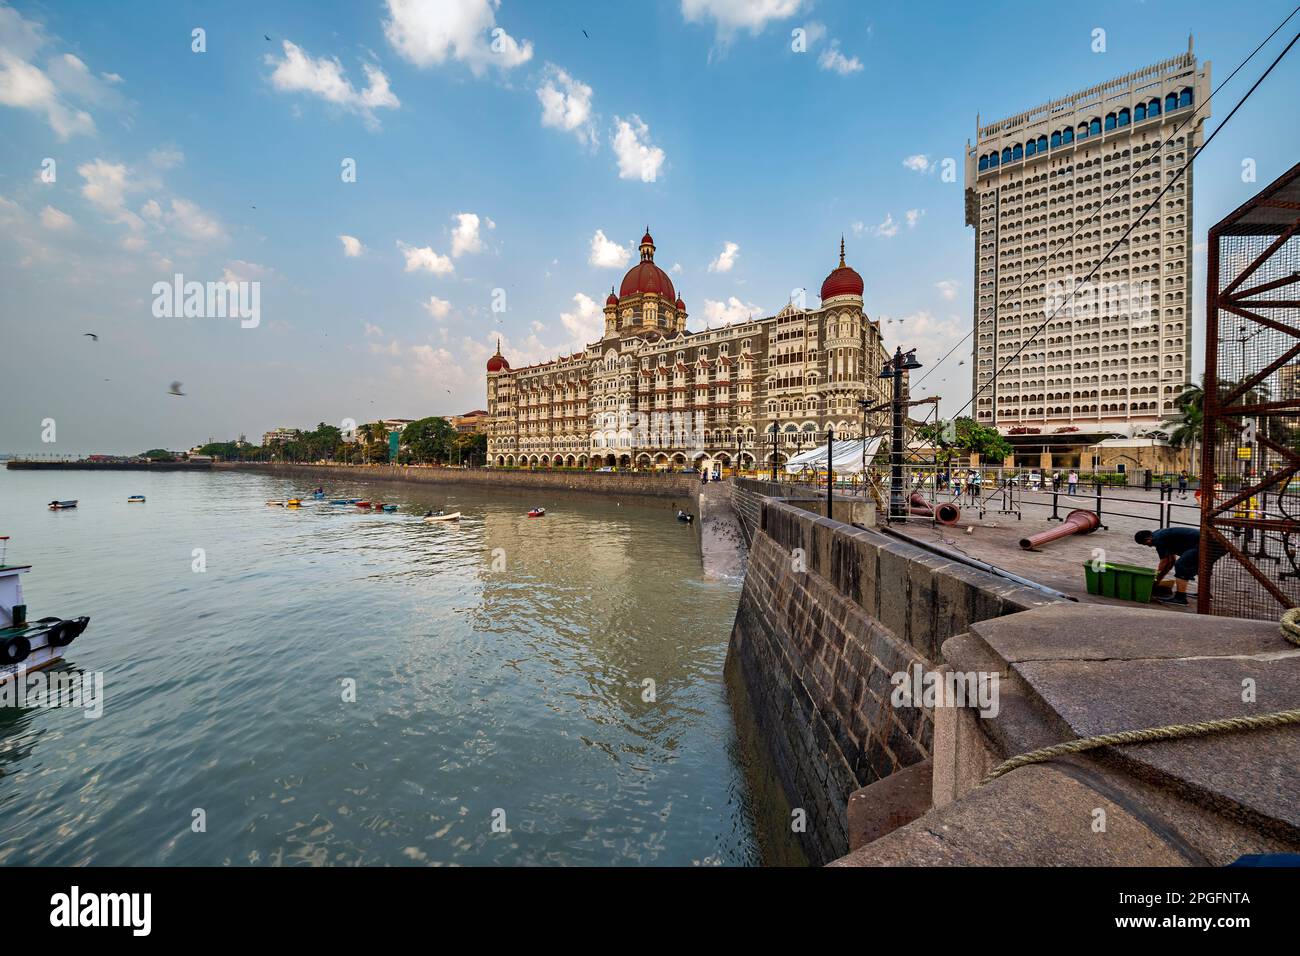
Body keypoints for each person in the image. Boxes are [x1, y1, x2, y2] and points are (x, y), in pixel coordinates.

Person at [1135, 526, 1205, 607]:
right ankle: (1204, 594)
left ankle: (1180, 598)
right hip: (1210, 542)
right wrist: (1158, 580)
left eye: (1146, 544)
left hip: (1205, 544)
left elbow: (1164, 562)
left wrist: (1155, 580)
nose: (1149, 546)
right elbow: (1171, 561)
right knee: (1202, 568)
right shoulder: (1160, 535)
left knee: (1181, 565)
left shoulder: (1158, 539)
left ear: (1148, 539)